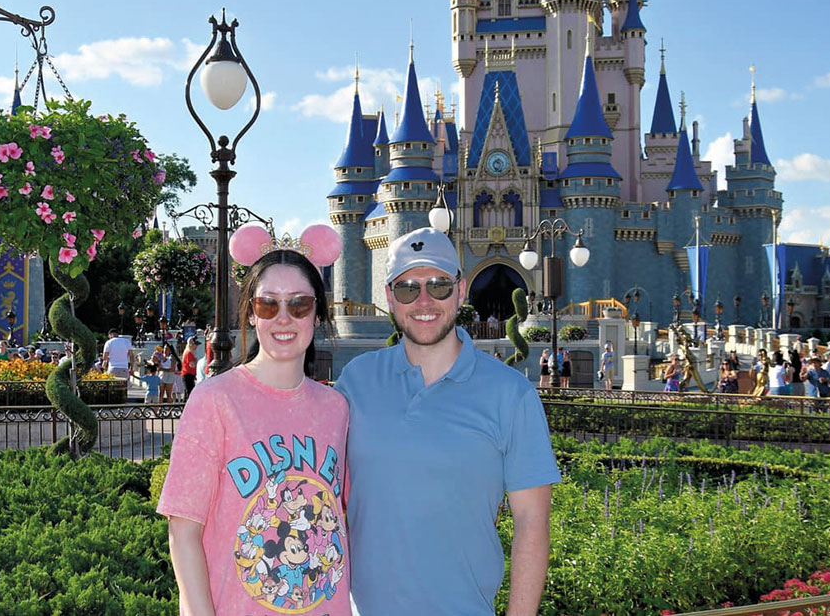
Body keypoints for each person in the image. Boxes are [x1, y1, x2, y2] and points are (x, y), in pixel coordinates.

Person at [336, 227, 560, 614]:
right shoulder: (356, 382)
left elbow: (532, 522)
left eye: (438, 285)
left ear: (460, 290)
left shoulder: (511, 394)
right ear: (390, 298)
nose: (424, 300)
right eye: (408, 288)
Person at [160, 229, 350, 615]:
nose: (284, 318)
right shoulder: (215, 400)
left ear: (317, 313)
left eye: (299, 305)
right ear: (250, 312)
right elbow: (183, 532)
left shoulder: (336, 409)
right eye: (268, 305)